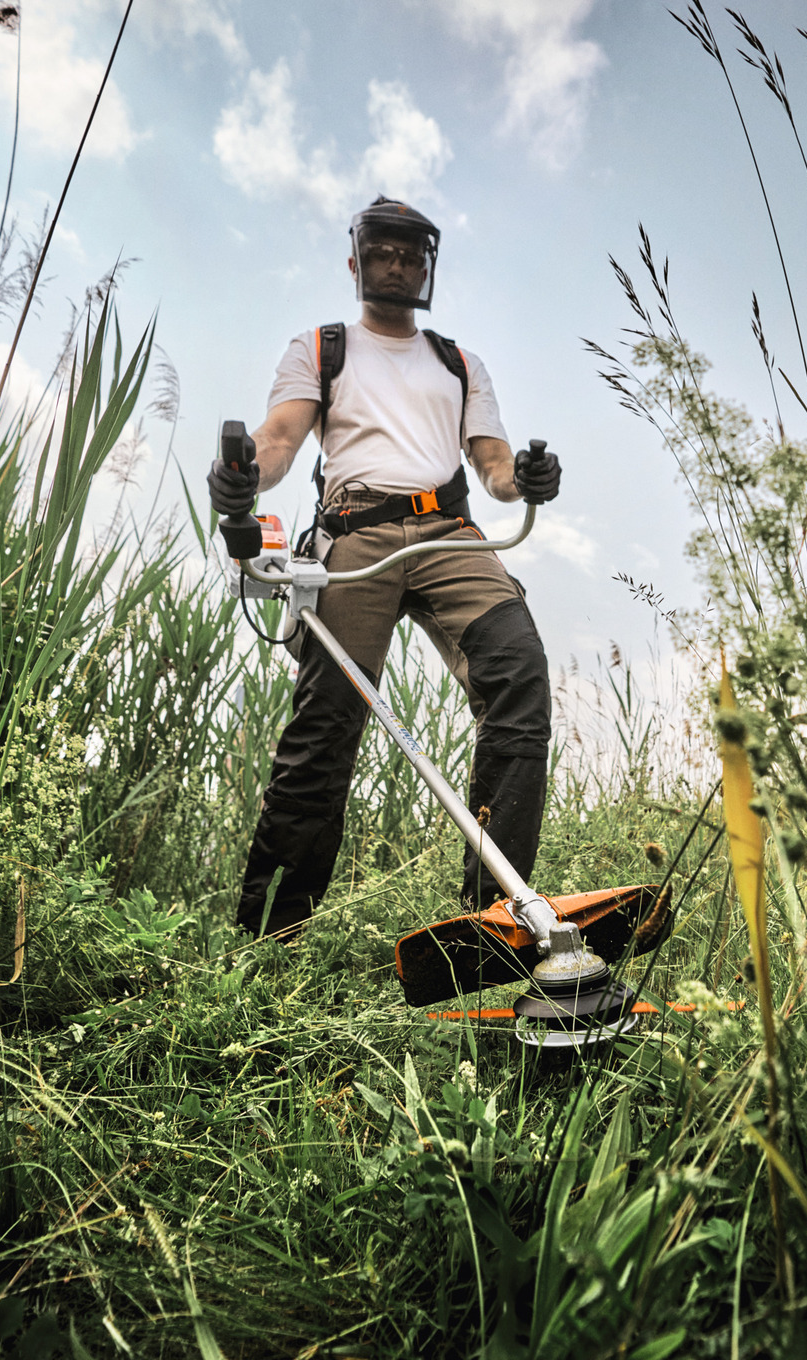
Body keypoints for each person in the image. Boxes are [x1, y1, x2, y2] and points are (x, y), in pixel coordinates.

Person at [209, 197, 563, 940]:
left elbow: (492, 464)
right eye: (384, 252)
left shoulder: (458, 363)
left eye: (412, 253)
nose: (398, 263)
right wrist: (246, 476)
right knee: (326, 721)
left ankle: (494, 921)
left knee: (519, 673)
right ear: (357, 262)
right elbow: (278, 438)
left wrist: (522, 482)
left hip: (447, 530)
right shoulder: (323, 348)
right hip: (356, 529)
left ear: (427, 266)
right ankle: (271, 935)